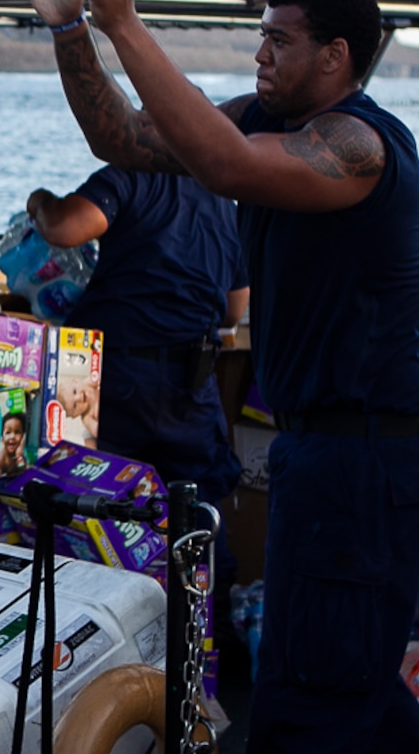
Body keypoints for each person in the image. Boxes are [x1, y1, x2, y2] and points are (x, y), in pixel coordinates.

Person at [5, 0, 419, 752]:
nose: (261, 56)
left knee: (305, 705)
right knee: (355, 692)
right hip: (323, 456)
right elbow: (125, 140)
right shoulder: (266, 121)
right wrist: (73, 28)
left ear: (335, 56)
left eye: (279, 41)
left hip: (368, 464)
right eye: (260, 39)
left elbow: (227, 168)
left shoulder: (360, 145)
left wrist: (126, 21)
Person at [26, 165, 247, 587]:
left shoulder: (130, 177)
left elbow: (63, 227)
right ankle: (211, 639)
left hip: (116, 381)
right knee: (198, 518)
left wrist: (38, 201)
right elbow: (234, 311)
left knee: (98, 510)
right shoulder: (225, 201)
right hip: (191, 386)